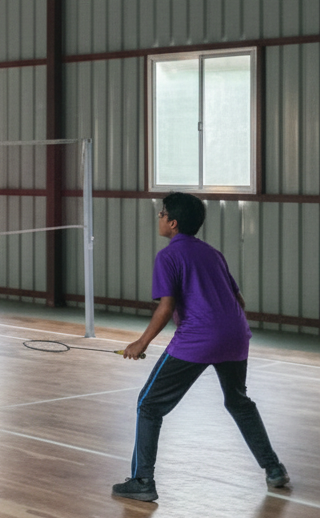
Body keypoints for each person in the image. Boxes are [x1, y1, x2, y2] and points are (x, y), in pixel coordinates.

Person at [112, 192, 289, 502]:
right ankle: (274, 469)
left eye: (162, 214)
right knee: (238, 402)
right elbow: (239, 300)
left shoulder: (168, 256)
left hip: (198, 338)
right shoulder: (212, 253)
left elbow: (166, 308)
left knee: (149, 404)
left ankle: (142, 481)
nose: (159, 218)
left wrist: (141, 343)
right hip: (236, 335)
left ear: (173, 223)